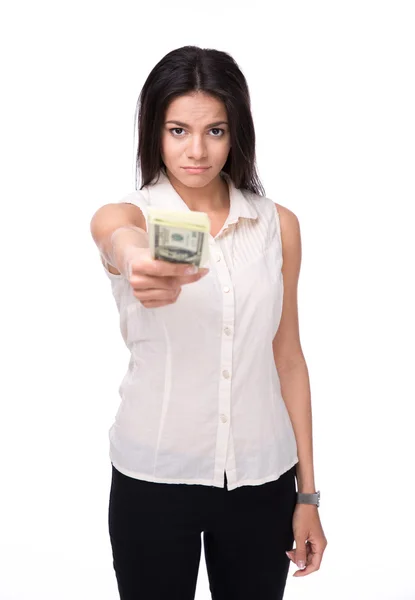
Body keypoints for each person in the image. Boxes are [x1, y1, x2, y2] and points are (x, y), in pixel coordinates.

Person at [90, 45, 327, 600]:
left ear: (236, 132)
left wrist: (308, 495)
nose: (196, 150)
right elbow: (111, 232)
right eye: (178, 130)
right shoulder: (134, 216)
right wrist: (135, 259)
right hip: (154, 475)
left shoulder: (277, 225)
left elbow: (287, 357)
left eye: (215, 131)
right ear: (154, 131)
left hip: (262, 479)